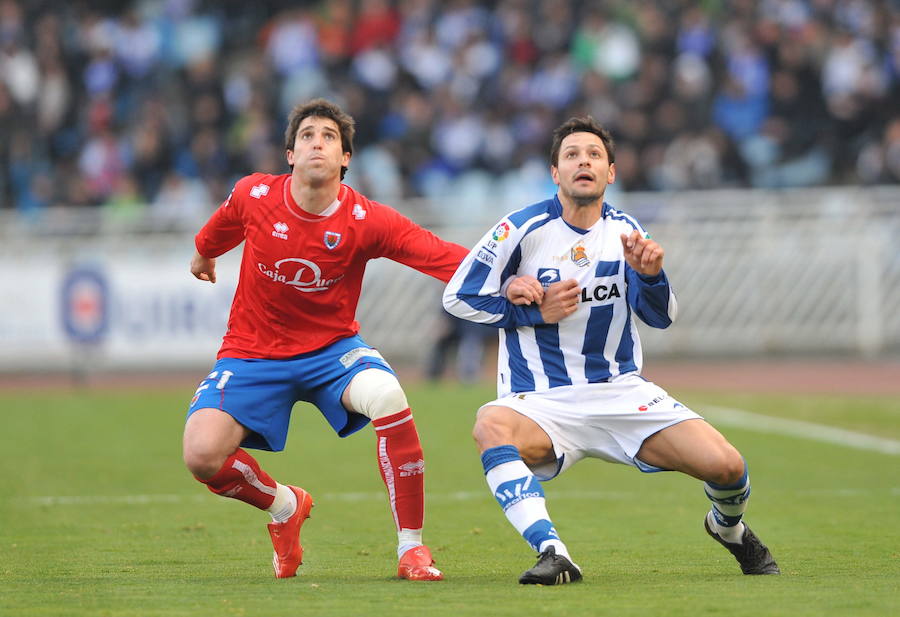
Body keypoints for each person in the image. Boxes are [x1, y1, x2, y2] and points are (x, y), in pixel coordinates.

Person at [442, 116, 779, 585]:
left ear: (611, 172)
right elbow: (458, 296)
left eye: (595, 155)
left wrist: (651, 275)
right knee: (489, 424)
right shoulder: (520, 228)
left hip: (620, 392)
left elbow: (660, 317)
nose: (584, 161)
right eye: (572, 155)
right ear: (555, 172)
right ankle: (552, 551)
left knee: (728, 466)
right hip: (540, 400)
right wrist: (529, 311)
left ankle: (729, 529)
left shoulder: (626, 231)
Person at [183, 98, 467, 581]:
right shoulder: (254, 194)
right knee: (202, 456)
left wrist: (508, 279)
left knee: (389, 396)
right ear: (290, 154)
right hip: (251, 352)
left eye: (330, 137)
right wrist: (204, 255)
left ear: (345, 159)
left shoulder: (367, 219)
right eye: (308, 135)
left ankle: (411, 549)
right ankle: (285, 506)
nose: (318, 142)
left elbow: (438, 255)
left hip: (331, 351)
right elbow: (219, 229)